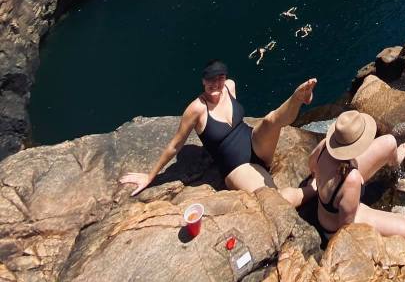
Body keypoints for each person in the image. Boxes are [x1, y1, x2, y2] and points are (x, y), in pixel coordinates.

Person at [120, 60, 317, 207]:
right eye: (210, 80)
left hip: (255, 142)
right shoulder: (196, 109)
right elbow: (175, 145)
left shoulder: (229, 86)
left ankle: (298, 98)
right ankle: (312, 190)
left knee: (270, 121)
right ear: (203, 81)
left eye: (220, 78)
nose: (216, 84)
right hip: (237, 167)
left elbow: (245, 121)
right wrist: (150, 176)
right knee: (274, 201)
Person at [309, 109, 405, 239]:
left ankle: (395, 162)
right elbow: (346, 228)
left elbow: (311, 165)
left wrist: (321, 184)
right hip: (334, 225)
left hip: (338, 187)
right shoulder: (352, 179)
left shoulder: (324, 146)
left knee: (389, 142)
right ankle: (397, 213)